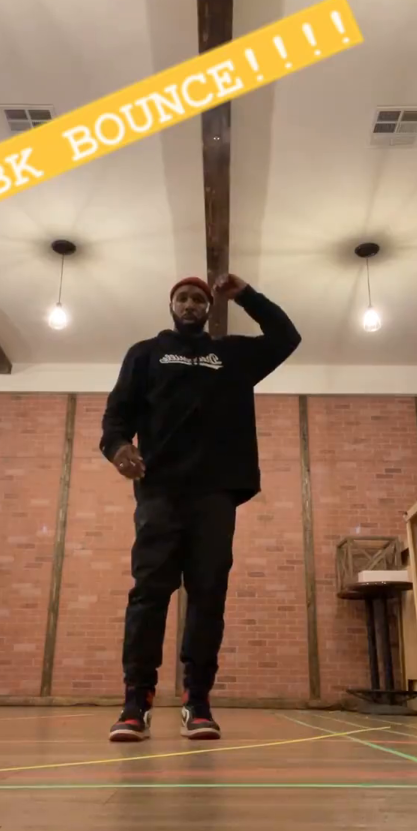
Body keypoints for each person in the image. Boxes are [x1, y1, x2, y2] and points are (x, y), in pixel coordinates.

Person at [100, 273, 301, 742]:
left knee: (208, 594)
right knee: (149, 593)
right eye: (182, 298)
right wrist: (118, 448)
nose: (190, 304)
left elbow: (286, 337)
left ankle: (198, 701)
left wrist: (246, 295)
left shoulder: (231, 355)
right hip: (159, 491)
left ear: (209, 308)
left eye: (198, 299)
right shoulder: (145, 353)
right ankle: (136, 702)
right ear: (171, 305)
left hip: (215, 492)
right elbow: (116, 414)